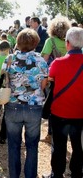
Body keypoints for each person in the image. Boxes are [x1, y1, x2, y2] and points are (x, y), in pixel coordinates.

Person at [3, 28, 48, 178]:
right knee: (32, 145)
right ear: (35, 42)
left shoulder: (9, 59)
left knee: (13, 145)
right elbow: (44, 84)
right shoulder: (41, 60)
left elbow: (4, 80)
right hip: (34, 107)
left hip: (13, 106)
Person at [45, 27, 83, 178]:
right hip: (80, 113)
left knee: (59, 146)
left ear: (67, 43)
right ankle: (76, 173)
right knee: (78, 146)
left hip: (59, 112)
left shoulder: (57, 63)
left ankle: (57, 173)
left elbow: (50, 81)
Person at [41, 16, 71, 143]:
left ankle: (50, 133)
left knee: (52, 103)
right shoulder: (70, 41)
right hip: (69, 76)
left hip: (53, 76)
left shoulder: (50, 41)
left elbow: (44, 61)